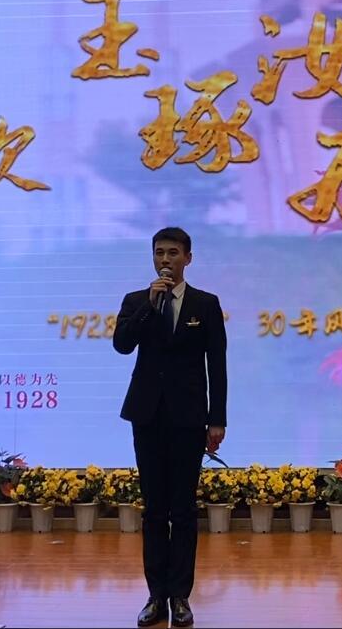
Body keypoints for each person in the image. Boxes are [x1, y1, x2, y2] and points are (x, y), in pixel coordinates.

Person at [112, 226, 227, 627]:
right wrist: (148, 305)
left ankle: (180, 596)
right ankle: (155, 595)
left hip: (189, 418)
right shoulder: (137, 301)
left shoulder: (205, 304)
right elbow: (122, 344)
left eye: (173, 253)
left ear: (188, 258)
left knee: (183, 509)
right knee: (154, 510)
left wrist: (217, 418)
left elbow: (217, 365)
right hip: (147, 416)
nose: (165, 259)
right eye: (159, 252)